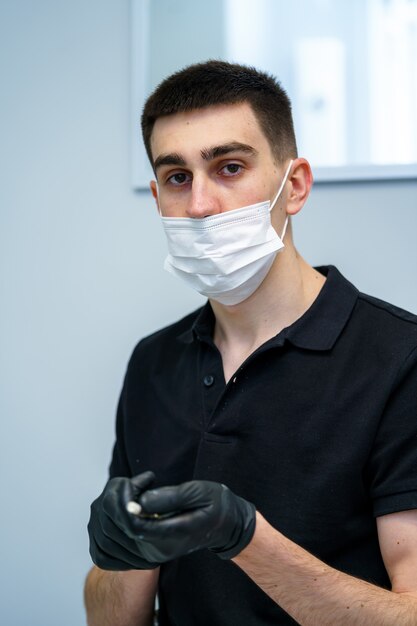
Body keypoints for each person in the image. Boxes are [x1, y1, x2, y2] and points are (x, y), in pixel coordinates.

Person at [84, 60, 417, 625]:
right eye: (177, 177)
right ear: (158, 195)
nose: (199, 205)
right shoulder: (153, 363)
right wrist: (122, 555)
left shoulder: (398, 360)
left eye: (230, 167)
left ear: (295, 186)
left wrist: (243, 536)